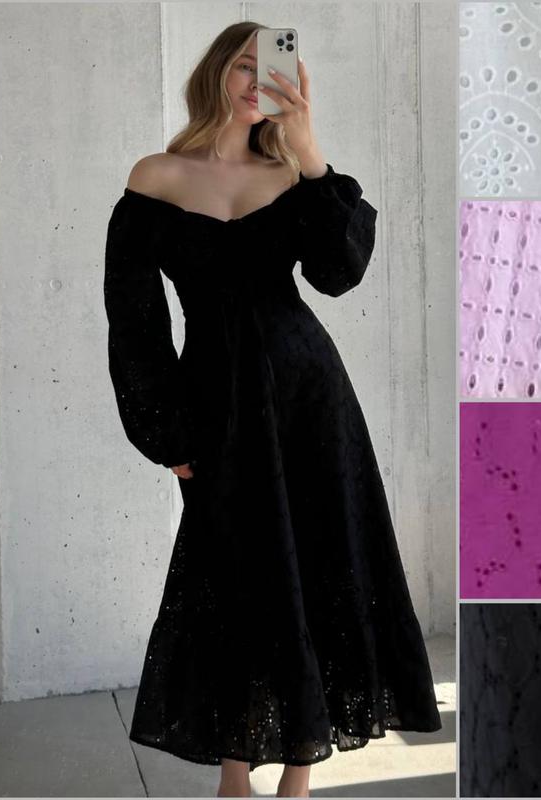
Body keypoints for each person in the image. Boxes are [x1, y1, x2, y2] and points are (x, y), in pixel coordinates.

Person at [103, 20, 442, 799]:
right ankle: (235, 771)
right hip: (217, 408)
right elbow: (135, 323)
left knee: (321, 563)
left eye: (275, 69)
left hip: (310, 398)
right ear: (217, 72)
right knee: (230, 577)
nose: (259, 81)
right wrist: (166, 433)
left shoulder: (294, 179)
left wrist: (311, 149)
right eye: (245, 66)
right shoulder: (157, 176)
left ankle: (298, 773)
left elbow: (339, 272)